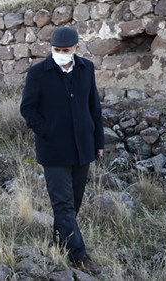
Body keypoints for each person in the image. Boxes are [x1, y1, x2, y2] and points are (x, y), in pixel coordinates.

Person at [19, 26, 104, 275]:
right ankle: (80, 255)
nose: (61, 54)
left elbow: (94, 108)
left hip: (83, 147)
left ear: (76, 48)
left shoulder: (87, 68)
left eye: (66, 50)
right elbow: (28, 109)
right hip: (53, 151)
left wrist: (98, 142)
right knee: (63, 204)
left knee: (73, 204)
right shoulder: (38, 73)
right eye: (57, 50)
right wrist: (48, 131)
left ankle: (58, 243)